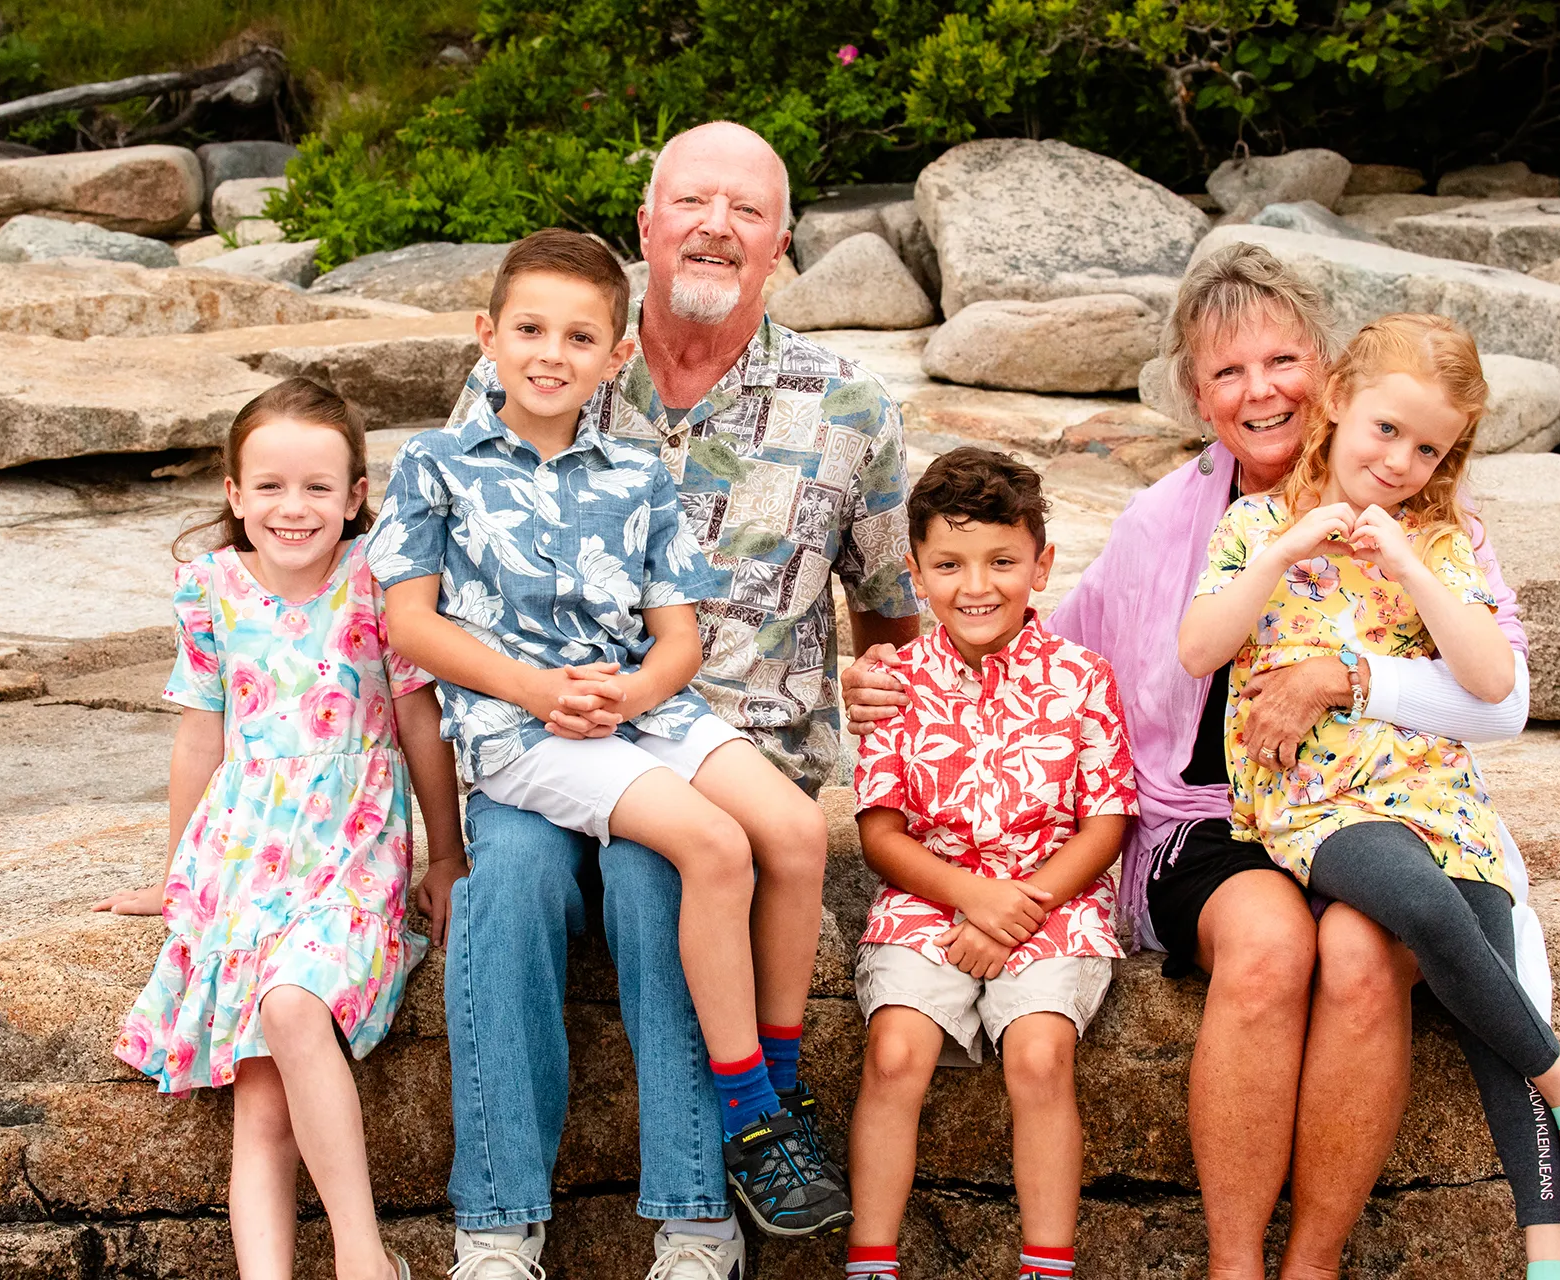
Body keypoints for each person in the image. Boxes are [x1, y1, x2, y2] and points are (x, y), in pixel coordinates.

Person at [843, 243, 1559, 1279]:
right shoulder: (1170, 518)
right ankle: (1232, 1264)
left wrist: (1343, 677)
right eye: (1227, 371)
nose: (1260, 391)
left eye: (1282, 360)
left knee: (1366, 955)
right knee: (1268, 945)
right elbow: (1054, 638)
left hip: (1361, 805)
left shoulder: (1416, 507)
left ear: (1331, 369)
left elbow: (1507, 696)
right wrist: (895, 674)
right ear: (1194, 391)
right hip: (1206, 815)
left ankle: (1311, 1262)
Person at [430, 122, 923, 1280]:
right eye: (691, 201)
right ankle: (495, 1232)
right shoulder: (547, 361)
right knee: (508, 880)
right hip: (543, 736)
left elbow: (899, 613)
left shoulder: (851, 406)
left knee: (668, 871)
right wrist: (437, 842)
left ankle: (700, 1220)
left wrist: (888, 692)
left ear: (782, 245)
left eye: (745, 210)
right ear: (644, 224)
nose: (715, 225)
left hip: (739, 753)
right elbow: (432, 593)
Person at [372, 228, 851, 1253]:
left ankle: (781, 1084)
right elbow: (411, 625)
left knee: (796, 832)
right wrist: (538, 690)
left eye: (580, 336)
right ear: (486, 337)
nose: (552, 352)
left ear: (615, 355)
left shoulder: (636, 472)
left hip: (637, 709)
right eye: (531, 329)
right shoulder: (436, 462)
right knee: (714, 847)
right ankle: (748, 1116)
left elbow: (678, 638)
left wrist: (630, 688)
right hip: (516, 724)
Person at [1179, 313, 1560, 1276]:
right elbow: (1196, 650)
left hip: (1437, 798)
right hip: (1315, 804)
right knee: (1428, 907)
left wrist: (1419, 573)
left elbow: (1490, 685)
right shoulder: (1257, 524)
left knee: (1484, 937)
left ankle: (1546, 1233)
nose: (1399, 462)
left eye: (1428, 448)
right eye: (1386, 431)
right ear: (1339, 403)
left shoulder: (1448, 538)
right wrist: (1279, 556)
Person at [94, 377, 465, 1280]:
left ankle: (362, 1258)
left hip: (349, 854)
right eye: (268, 486)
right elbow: (200, 733)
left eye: (316, 487)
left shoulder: (380, 581)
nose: (292, 508)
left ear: (355, 495)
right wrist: (177, 875)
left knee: (295, 1006)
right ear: (233, 494)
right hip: (243, 859)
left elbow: (419, 722)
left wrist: (446, 855)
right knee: (259, 1096)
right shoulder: (210, 588)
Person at [843, 448, 1135, 1280]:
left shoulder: (1083, 679)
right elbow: (880, 835)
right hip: (928, 893)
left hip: (1055, 896)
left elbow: (1106, 820)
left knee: (1038, 1053)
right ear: (916, 572)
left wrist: (1022, 907)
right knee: (896, 1051)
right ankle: (871, 1262)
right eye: (950, 564)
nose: (978, 585)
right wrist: (974, 898)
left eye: (1003, 561)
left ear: (1041, 564)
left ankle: (1046, 1265)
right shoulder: (896, 683)